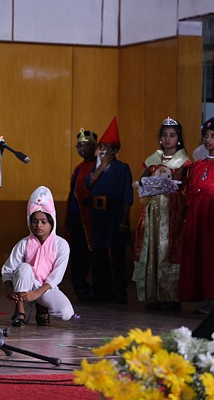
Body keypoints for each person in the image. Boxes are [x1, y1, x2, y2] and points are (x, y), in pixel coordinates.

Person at [132, 117, 190, 312]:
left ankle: (171, 297)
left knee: (167, 250)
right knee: (152, 249)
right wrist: (144, 185)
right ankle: (155, 295)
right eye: (164, 135)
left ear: (179, 139)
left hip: (171, 212)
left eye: (172, 135)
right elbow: (142, 180)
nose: (167, 139)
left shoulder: (183, 161)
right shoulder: (153, 159)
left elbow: (178, 186)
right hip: (152, 211)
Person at [2, 186, 74, 326]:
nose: (39, 225)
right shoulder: (24, 243)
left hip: (46, 288)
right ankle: (20, 311)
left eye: (43, 222)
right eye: (35, 221)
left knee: (66, 313)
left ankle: (41, 306)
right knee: (24, 268)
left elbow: (56, 276)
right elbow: (7, 270)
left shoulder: (61, 244)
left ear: (52, 222)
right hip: (26, 288)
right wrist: (9, 290)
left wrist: (37, 294)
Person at [179, 117, 214, 312]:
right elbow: (190, 193)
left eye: (213, 136)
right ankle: (207, 298)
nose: (208, 140)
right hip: (197, 217)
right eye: (206, 136)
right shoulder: (198, 165)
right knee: (199, 256)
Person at [86, 116, 133, 304]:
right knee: (98, 253)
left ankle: (119, 290)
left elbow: (127, 196)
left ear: (115, 151)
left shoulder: (123, 168)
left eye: (107, 147)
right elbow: (88, 184)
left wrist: (124, 220)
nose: (103, 150)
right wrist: (102, 166)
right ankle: (100, 289)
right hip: (98, 214)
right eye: (101, 146)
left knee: (117, 255)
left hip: (115, 213)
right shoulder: (94, 167)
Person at [66, 128, 98, 301]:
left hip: (93, 216)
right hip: (77, 216)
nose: (82, 149)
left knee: (94, 253)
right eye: (80, 146)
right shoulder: (78, 168)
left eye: (87, 145)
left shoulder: (99, 166)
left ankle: (96, 287)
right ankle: (79, 287)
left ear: (95, 147)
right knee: (78, 253)